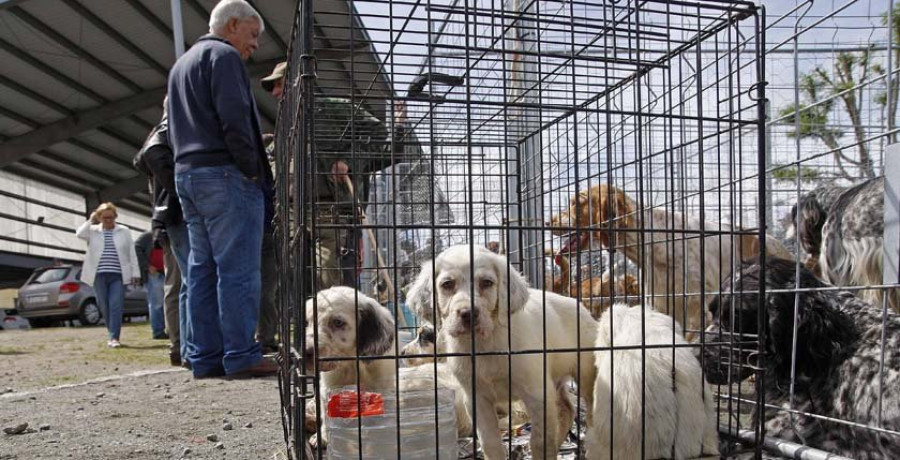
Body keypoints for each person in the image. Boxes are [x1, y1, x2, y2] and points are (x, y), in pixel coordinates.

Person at [167, 0, 276, 379]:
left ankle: (206, 357)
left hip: (188, 176)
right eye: (252, 34)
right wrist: (250, 171)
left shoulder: (181, 66)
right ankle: (242, 354)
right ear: (232, 25)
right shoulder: (223, 57)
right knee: (239, 270)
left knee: (201, 269)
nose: (255, 45)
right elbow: (234, 120)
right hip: (225, 174)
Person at [134, 99, 193, 368]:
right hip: (172, 216)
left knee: (180, 283)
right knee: (182, 282)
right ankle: (182, 345)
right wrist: (179, 188)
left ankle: (182, 345)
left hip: (166, 216)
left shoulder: (165, 132)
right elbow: (149, 155)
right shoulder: (166, 131)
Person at [75, 203, 140, 348]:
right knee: (103, 305)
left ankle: (114, 337)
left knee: (116, 305)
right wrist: (90, 220)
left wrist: (136, 273)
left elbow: (131, 253)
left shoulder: (124, 231)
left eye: (111, 217)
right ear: (99, 218)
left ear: (115, 217)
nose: (108, 220)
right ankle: (111, 333)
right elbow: (79, 234)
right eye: (104, 218)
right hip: (99, 275)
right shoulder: (92, 231)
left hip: (118, 275)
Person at [135, 231, 166, 339]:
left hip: (170, 272)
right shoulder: (147, 236)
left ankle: (174, 330)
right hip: (155, 273)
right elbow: (136, 248)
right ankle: (158, 331)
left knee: (171, 302)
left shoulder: (172, 233)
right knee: (156, 304)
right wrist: (147, 266)